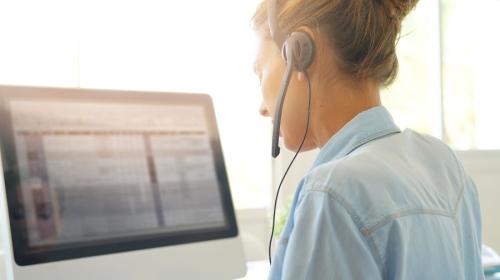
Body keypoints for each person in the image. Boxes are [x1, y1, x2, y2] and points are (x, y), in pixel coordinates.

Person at [251, 0, 484, 279]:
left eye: (260, 72)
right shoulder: (445, 164)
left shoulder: (332, 195)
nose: (263, 108)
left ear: (300, 53)